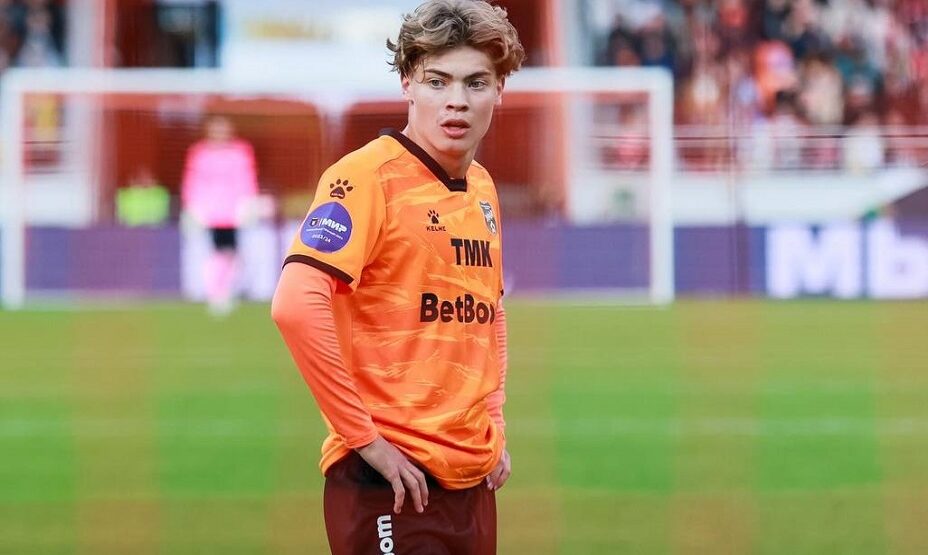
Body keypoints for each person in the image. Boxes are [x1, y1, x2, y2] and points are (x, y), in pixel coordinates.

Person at [271, 1, 524, 553]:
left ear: (500, 89)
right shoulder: (366, 177)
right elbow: (295, 304)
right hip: (389, 480)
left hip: (471, 477)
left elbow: (489, 310)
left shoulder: (482, 188)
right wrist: (363, 439)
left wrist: (493, 420)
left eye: (476, 82)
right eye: (438, 81)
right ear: (407, 81)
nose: (457, 100)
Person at [181, 115, 258, 315]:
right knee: (215, 253)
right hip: (209, 214)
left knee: (231, 253)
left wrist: (248, 203)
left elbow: (246, 179)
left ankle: (225, 290)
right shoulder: (200, 153)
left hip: (232, 214)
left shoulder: (240, 152)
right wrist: (193, 206)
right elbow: (193, 181)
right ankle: (216, 292)